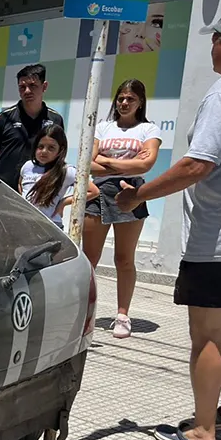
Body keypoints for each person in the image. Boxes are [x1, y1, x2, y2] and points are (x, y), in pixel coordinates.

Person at [116, 6, 221, 440]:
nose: (210, 48)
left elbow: (197, 164)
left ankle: (202, 431)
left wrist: (137, 195)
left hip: (220, 232)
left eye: (213, 40)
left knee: (207, 332)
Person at [83, 79, 162, 339]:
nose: (124, 103)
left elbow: (145, 165)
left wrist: (105, 161)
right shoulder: (102, 127)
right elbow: (88, 163)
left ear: (140, 102)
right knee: (88, 259)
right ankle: (83, 312)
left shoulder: (148, 129)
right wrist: (127, 163)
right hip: (98, 193)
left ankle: (122, 315)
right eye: (121, 98)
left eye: (130, 99)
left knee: (124, 259)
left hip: (132, 192)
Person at [0, 64, 65, 191]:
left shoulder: (55, 120)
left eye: (33, 85)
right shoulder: (4, 118)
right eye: (22, 87)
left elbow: (59, 157)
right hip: (5, 191)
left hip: (40, 194)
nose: (27, 91)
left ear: (44, 86)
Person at [18, 125, 98, 229]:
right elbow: (21, 184)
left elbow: (94, 191)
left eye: (51, 148)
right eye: (40, 146)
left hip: (50, 225)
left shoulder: (66, 171)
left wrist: (63, 203)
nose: (44, 151)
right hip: (25, 222)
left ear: (60, 150)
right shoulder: (28, 166)